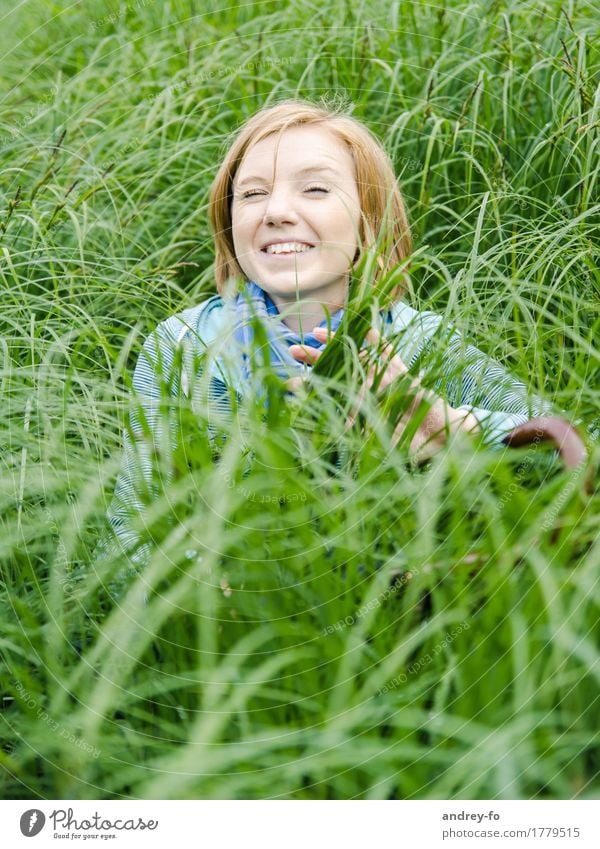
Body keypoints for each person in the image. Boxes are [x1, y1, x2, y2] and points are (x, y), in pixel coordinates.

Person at [105, 98, 553, 568]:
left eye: (315, 189)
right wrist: (204, 587)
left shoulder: (423, 341)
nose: (276, 211)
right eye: (252, 194)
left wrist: (451, 428)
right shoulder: (183, 344)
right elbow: (134, 523)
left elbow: (577, 455)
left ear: (369, 218)